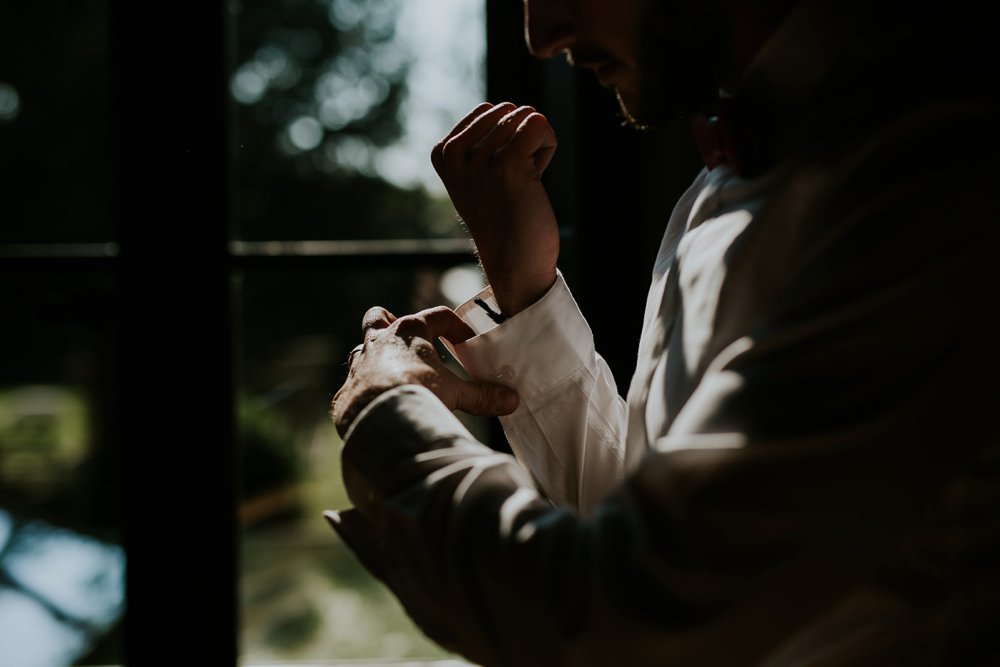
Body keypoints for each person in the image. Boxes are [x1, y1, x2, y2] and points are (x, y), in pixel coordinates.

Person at [327, 0, 999, 664]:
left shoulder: (932, 180)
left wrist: (387, 410)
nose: (540, 34)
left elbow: (622, 615)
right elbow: (642, 523)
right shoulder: (713, 192)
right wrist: (524, 291)